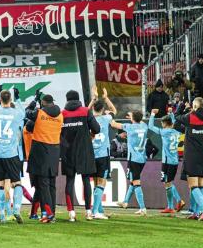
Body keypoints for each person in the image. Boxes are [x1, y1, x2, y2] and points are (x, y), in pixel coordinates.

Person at [60, 89, 100, 222]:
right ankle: (88, 212)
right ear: (78, 99)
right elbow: (97, 128)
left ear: (67, 99)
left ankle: (71, 213)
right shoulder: (85, 111)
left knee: (69, 181)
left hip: (68, 152)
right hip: (84, 151)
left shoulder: (62, 113)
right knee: (86, 181)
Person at [173, 97, 203, 221]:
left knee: (193, 185)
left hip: (192, 155)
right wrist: (193, 110)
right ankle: (196, 212)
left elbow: (176, 116)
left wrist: (182, 106)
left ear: (195, 106)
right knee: (201, 184)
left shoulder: (190, 117)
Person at [25, 93, 63, 223]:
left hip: (40, 150)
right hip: (55, 151)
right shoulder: (60, 115)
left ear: (43, 103)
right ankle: (51, 212)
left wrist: (34, 100)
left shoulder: (39, 113)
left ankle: (48, 214)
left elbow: (27, 111)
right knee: (51, 184)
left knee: (43, 184)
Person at [0, 87, 26, 224]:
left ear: (0, 100)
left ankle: (2, 215)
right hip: (12, 154)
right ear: (10, 100)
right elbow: (23, 112)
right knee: (16, 183)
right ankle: (16, 209)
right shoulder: (17, 114)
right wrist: (18, 99)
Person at [148, 109, 185, 213]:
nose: (161, 124)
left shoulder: (164, 132)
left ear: (165, 123)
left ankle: (178, 201)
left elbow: (150, 127)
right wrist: (171, 114)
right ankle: (170, 207)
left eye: (162, 122)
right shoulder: (177, 131)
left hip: (167, 162)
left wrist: (152, 114)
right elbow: (174, 123)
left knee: (167, 183)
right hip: (174, 160)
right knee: (167, 183)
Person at [88, 86, 117, 220]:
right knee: (101, 183)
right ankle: (95, 212)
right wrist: (105, 98)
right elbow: (114, 111)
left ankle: (99, 210)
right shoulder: (106, 118)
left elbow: (86, 111)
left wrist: (93, 99)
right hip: (103, 155)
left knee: (95, 183)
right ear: (102, 110)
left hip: (91, 155)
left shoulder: (89, 119)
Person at [112, 111, 148, 216]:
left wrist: (109, 115)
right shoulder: (144, 126)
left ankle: (142, 208)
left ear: (132, 118)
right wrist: (133, 117)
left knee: (136, 182)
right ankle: (125, 202)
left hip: (134, 159)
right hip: (142, 158)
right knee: (133, 180)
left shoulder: (129, 127)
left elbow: (113, 124)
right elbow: (139, 120)